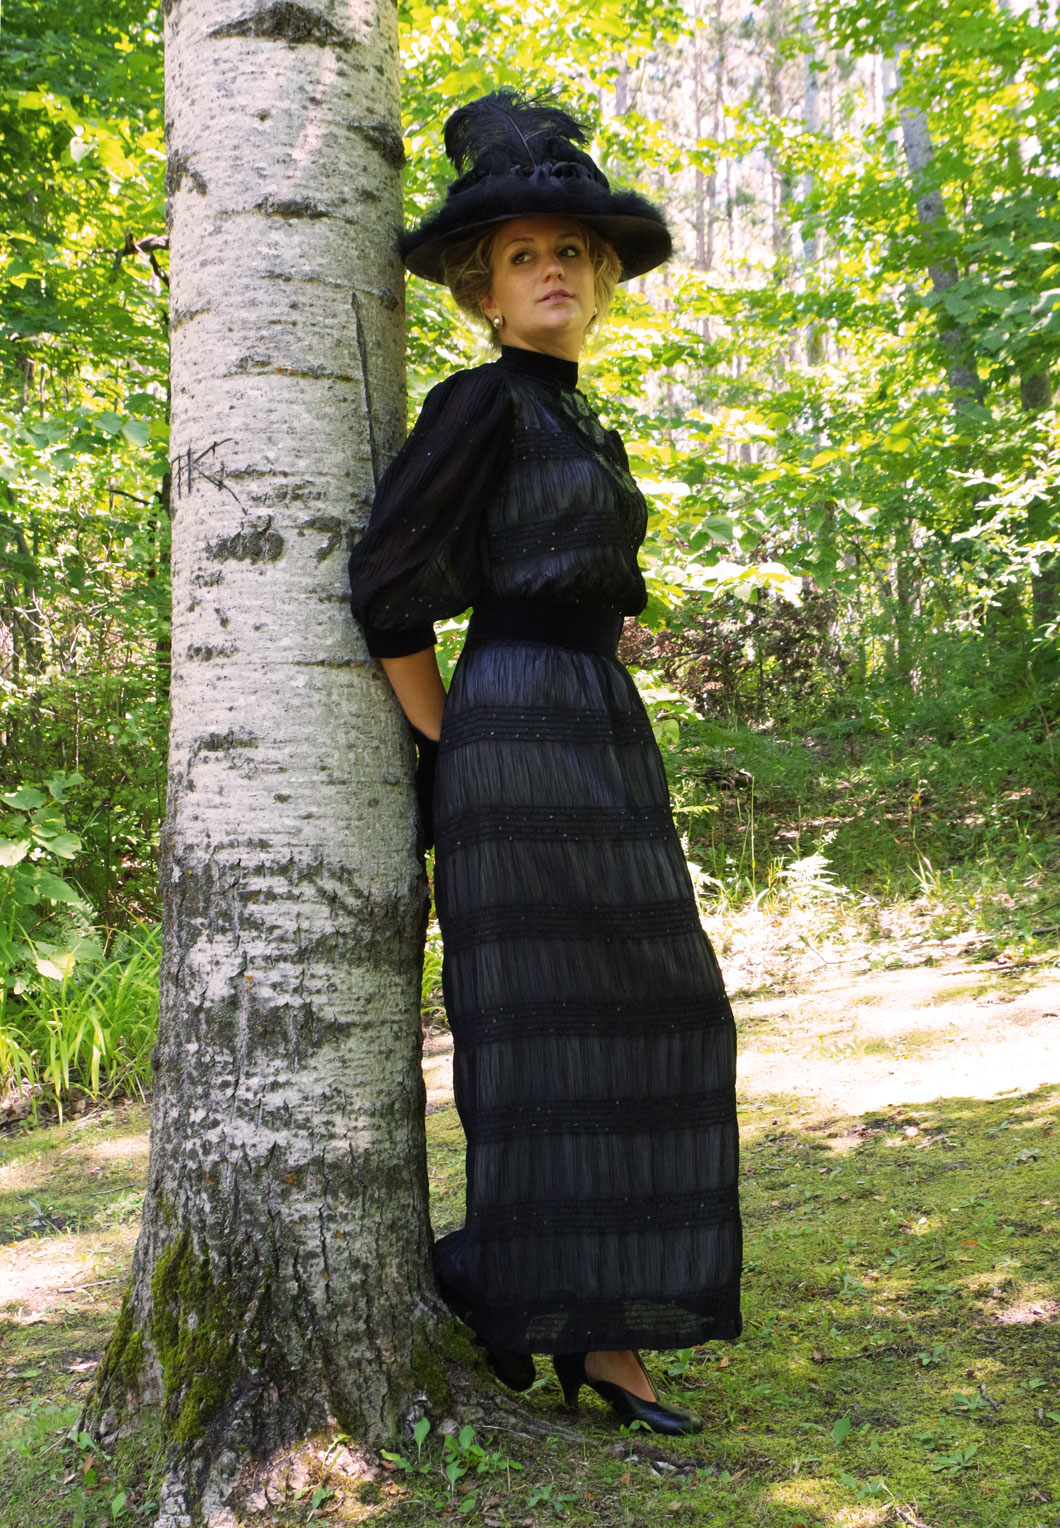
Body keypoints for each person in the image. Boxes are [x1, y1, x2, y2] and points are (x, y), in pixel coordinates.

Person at [349, 90, 741, 1437]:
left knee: (664, 1014)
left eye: (570, 248)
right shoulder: (480, 404)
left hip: (595, 721)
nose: (554, 269)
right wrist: (453, 735)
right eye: (523, 255)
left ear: (602, 273)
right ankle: (583, 1333)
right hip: (517, 732)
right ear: (483, 288)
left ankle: (554, 1303)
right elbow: (388, 585)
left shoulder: (576, 418)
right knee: (545, 1038)